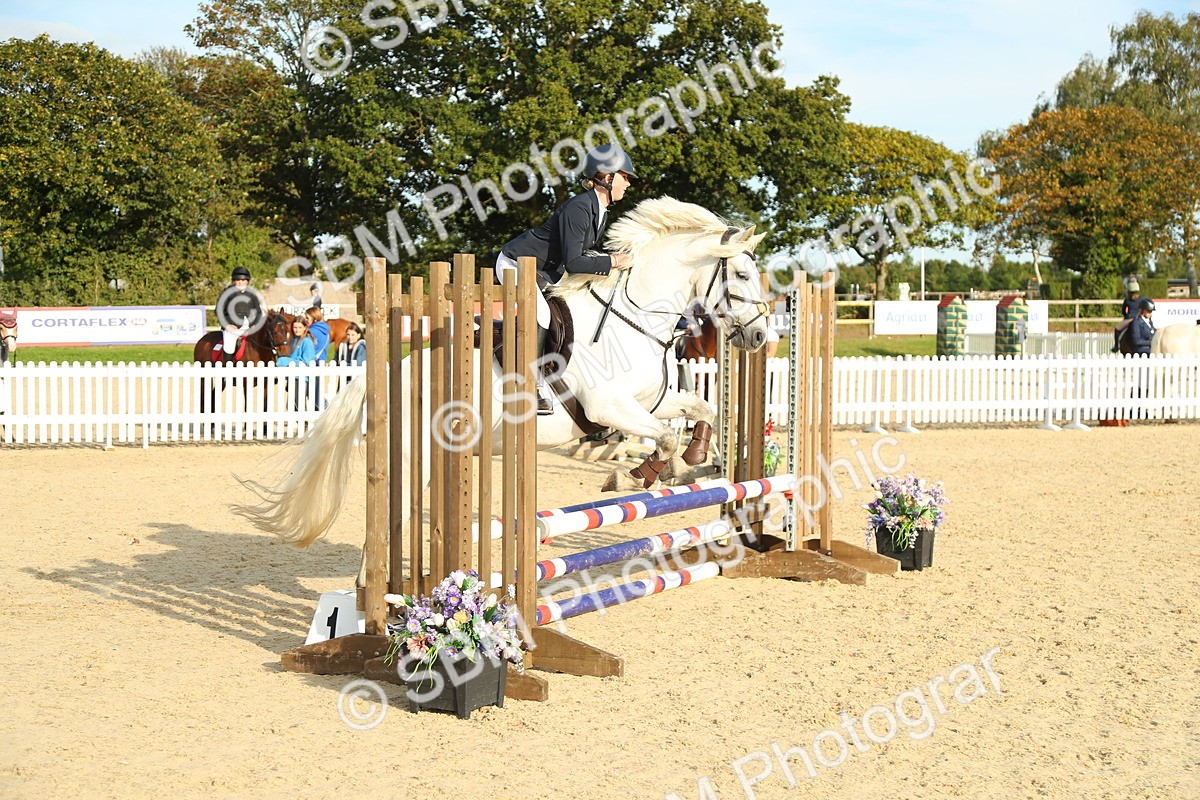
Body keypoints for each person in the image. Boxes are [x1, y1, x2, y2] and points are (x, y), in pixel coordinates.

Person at [496, 144, 637, 412]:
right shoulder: (580, 208)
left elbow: (585, 253)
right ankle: (533, 387)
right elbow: (574, 262)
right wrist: (613, 261)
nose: (627, 184)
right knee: (542, 314)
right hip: (516, 264)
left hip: (544, 273)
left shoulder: (599, 210)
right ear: (607, 177)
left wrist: (614, 258)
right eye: (625, 176)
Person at [215, 266, 267, 364]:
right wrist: (227, 325)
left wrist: (255, 325)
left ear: (247, 281)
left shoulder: (252, 294)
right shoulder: (226, 293)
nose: (240, 282)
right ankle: (228, 374)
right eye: (237, 280)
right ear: (233, 281)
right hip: (232, 327)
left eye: (243, 280)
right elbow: (218, 310)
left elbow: (258, 312)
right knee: (229, 345)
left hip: (249, 326)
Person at [277, 316, 318, 410]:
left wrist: (285, 361)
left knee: (299, 405)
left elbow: (306, 362)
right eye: (295, 327)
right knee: (292, 406)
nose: (297, 330)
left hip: (302, 378)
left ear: (305, 328)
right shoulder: (292, 340)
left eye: (300, 327)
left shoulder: (307, 341)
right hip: (293, 376)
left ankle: (305, 424)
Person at [1112, 281, 1141, 352]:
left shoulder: (1127, 299)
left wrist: (1127, 317)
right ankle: (1116, 346)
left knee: (1117, 329)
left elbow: (1123, 311)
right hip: (1139, 319)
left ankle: (1116, 346)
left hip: (1131, 319)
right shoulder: (1142, 299)